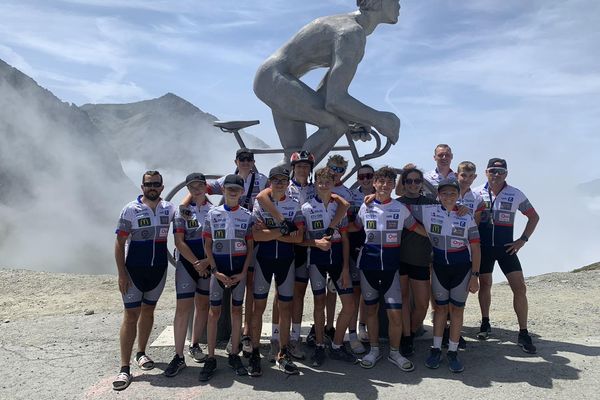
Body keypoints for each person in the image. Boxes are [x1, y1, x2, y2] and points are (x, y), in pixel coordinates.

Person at [254, 0, 401, 166]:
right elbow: (335, 101)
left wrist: (356, 118)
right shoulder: (351, 33)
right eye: (396, 0)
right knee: (335, 126)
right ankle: (297, 186)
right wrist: (380, 119)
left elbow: (327, 95)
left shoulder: (349, 28)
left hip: (273, 79)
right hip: (275, 81)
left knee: (293, 157)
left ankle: (275, 189)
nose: (399, 5)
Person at [254, 151, 349, 361]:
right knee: (283, 295)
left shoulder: (318, 187)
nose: (303, 170)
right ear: (293, 168)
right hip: (293, 246)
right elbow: (262, 196)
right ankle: (276, 339)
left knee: (298, 294)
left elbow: (342, 203)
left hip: (311, 248)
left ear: (311, 169)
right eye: (299, 166)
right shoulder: (284, 185)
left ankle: (294, 338)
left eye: (306, 166)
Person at [184, 148, 267, 357]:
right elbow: (200, 189)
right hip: (229, 237)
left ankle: (245, 334)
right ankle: (225, 343)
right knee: (226, 298)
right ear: (236, 161)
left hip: (250, 231)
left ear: (253, 161)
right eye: (242, 159)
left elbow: (272, 194)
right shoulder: (226, 180)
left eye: (249, 159)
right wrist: (185, 207)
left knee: (249, 283)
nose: (246, 162)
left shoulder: (262, 179)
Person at [352, 166, 425, 371]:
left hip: (392, 269)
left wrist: (438, 239)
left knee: (395, 314)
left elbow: (416, 228)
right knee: (372, 311)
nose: (384, 185)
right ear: (374, 183)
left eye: (388, 182)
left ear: (394, 186)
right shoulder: (365, 207)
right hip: (368, 266)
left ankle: (394, 352)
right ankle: (374, 350)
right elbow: (355, 227)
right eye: (380, 181)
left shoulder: (400, 209)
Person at [112, 171, 175, 391]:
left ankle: (141, 353)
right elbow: (119, 243)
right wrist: (121, 273)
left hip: (158, 270)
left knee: (148, 311)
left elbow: (190, 218)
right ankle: (124, 367)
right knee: (131, 316)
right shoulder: (130, 209)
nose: (153, 187)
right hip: (134, 271)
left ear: (162, 187)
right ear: (142, 187)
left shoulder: (169, 208)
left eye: (156, 184)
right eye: (149, 184)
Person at [411, 178, 481, 373]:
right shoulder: (429, 211)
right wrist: (372, 198)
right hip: (439, 268)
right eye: (444, 193)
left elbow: (475, 247)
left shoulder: (467, 216)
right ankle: (435, 349)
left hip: (462, 269)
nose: (448, 196)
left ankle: (452, 351)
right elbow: (401, 207)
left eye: (452, 193)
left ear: (458, 195)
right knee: (440, 310)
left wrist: (475, 275)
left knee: (457, 311)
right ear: (438, 196)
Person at [473, 158, 540, 353]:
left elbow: (534, 217)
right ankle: (485, 323)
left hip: (506, 248)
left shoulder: (515, 194)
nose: (496, 174)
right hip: (484, 248)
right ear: (486, 172)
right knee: (485, 285)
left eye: (500, 172)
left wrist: (522, 240)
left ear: (506, 174)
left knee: (519, 288)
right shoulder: (476, 193)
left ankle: (523, 331)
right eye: (493, 171)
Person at [248, 166, 305, 376]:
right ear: (270, 182)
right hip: (264, 260)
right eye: (275, 180)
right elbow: (256, 236)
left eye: (283, 180)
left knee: (285, 308)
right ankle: (254, 353)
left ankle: (283, 353)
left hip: (286, 261)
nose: (279, 183)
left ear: (288, 183)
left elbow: (298, 238)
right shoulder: (260, 202)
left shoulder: (294, 204)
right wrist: (283, 230)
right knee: (258, 308)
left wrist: (269, 232)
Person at [198, 174, 254, 381]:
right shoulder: (213, 214)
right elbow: (208, 245)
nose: (232, 191)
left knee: (237, 310)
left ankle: (233, 354)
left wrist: (243, 272)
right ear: (223, 190)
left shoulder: (247, 216)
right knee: (214, 312)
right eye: (229, 188)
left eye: (236, 189)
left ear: (241, 193)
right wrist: (215, 271)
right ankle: (211, 357)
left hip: (238, 271)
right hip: (218, 271)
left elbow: (250, 248)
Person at [301, 167, 358, 367]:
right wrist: (315, 243)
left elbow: (344, 239)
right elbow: (300, 240)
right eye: (320, 181)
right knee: (319, 304)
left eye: (328, 182)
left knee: (349, 305)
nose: (324, 185)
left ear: (333, 184)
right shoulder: (306, 208)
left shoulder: (338, 206)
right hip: (316, 259)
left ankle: (336, 345)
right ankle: (319, 345)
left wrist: (344, 269)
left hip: (337, 260)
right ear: (315, 183)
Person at [164, 173, 212, 377]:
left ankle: (194, 345)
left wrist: (207, 262)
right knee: (182, 309)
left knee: (202, 306)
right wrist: (196, 263)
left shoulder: (214, 210)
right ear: (188, 189)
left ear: (205, 186)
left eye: (199, 185)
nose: (196, 190)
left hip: (207, 264)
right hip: (188, 264)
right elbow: (179, 242)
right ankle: (178, 356)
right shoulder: (182, 211)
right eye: (192, 187)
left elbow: (218, 241)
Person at [396, 166, 438, 357]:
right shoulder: (396, 203)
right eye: (409, 181)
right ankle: (406, 338)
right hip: (400, 258)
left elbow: (449, 212)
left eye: (417, 181)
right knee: (403, 300)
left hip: (421, 259)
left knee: (421, 304)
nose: (413, 184)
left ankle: (411, 332)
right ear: (403, 184)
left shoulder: (432, 204)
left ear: (422, 183)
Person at [348, 164, 376, 350]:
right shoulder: (351, 195)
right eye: (362, 177)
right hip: (353, 246)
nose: (365, 179)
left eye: (369, 176)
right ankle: (352, 333)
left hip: (374, 248)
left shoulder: (383, 192)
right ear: (358, 179)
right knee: (355, 292)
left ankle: (362, 326)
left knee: (369, 293)